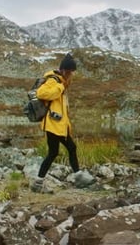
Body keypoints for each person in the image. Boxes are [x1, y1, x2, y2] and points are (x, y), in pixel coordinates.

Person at [30, 53, 95, 193]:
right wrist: (59, 88)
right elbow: (41, 94)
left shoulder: (61, 81)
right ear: (65, 70)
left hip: (59, 124)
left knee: (57, 151)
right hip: (53, 124)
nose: (72, 75)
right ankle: (78, 178)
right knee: (66, 149)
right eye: (71, 72)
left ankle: (38, 182)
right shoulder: (53, 80)